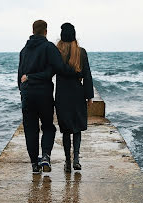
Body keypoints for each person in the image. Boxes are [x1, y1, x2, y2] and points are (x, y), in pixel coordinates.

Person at [25, 23, 94, 173]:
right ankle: (76, 159)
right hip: (77, 93)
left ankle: (68, 163)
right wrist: (89, 97)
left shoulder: (57, 51)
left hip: (62, 94)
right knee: (77, 128)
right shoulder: (81, 52)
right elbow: (87, 75)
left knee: (66, 129)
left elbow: (50, 70)